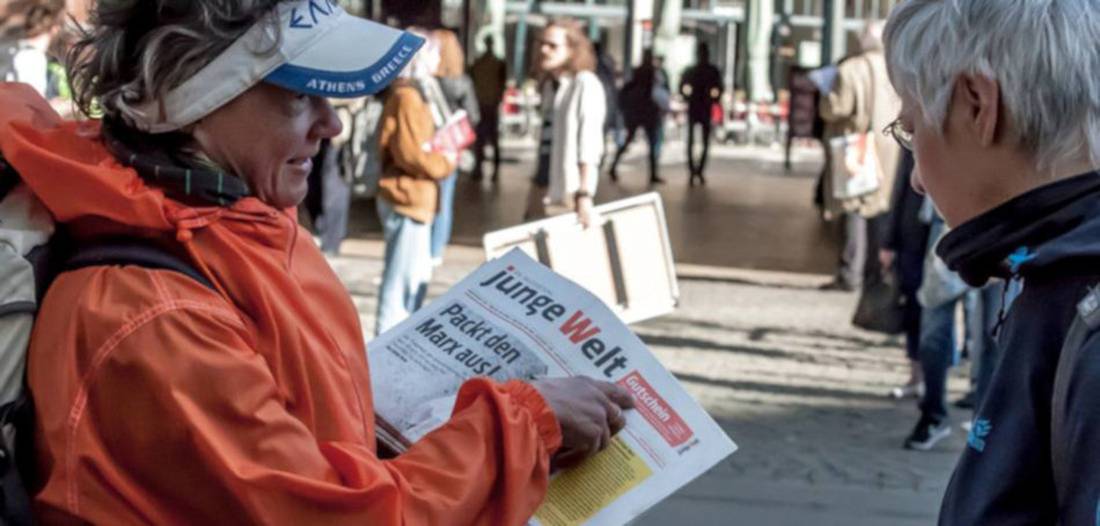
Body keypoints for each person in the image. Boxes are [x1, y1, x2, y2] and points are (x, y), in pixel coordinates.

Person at [0, 0, 634, 522]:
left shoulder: (246, 219)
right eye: (297, 95)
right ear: (192, 102)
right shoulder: (151, 314)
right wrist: (526, 423)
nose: (331, 124)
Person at [885, 1, 1100, 523]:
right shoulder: (1055, 279)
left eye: (912, 131)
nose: (916, 177)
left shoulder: (1083, 311)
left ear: (978, 105)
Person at [819, 21, 901, 292]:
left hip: (857, 147)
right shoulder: (896, 69)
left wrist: (825, 95)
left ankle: (849, 272)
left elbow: (836, 108)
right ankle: (874, 271)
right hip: (890, 147)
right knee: (880, 208)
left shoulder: (849, 70)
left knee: (854, 209)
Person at [524, 19, 606, 227]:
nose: (544, 49)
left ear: (571, 50)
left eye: (553, 45)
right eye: (542, 43)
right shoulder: (552, 87)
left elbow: (589, 144)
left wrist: (584, 194)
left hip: (568, 191)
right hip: (543, 185)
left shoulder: (585, 84)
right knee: (529, 252)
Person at [425, 27, 479, 268]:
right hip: (450, 149)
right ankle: (436, 251)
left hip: (426, 146)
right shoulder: (462, 81)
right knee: (444, 200)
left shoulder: (425, 81)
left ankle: (423, 246)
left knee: (425, 197)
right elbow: (474, 115)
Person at [879, 151, 930, 401]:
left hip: (946, 235)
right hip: (913, 236)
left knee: (945, 317)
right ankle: (917, 375)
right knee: (913, 307)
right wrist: (888, 241)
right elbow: (900, 186)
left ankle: (934, 383)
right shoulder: (914, 135)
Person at [609, 49, 669, 185]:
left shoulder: (640, 72)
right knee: (650, 143)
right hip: (645, 112)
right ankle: (652, 173)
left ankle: (614, 166)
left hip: (639, 111)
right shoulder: (649, 73)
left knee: (636, 141)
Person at [679, 42, 723, 186]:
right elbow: (719, 89)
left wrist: (688, 96)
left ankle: (695, 171)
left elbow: (683, 87)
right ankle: (696, 171)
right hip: (703, 106)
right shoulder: (709, 71)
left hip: (697, 106)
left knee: (696, 141)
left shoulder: (693, 70)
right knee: (701, 141)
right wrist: (713, 98)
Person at [470, 35, 507, 183]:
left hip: (484, 104)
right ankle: (490, 170)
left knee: (483, 138)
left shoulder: (479, 64)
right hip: (489, 104)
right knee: (491, 138)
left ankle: (481, 168)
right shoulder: (495, 64)